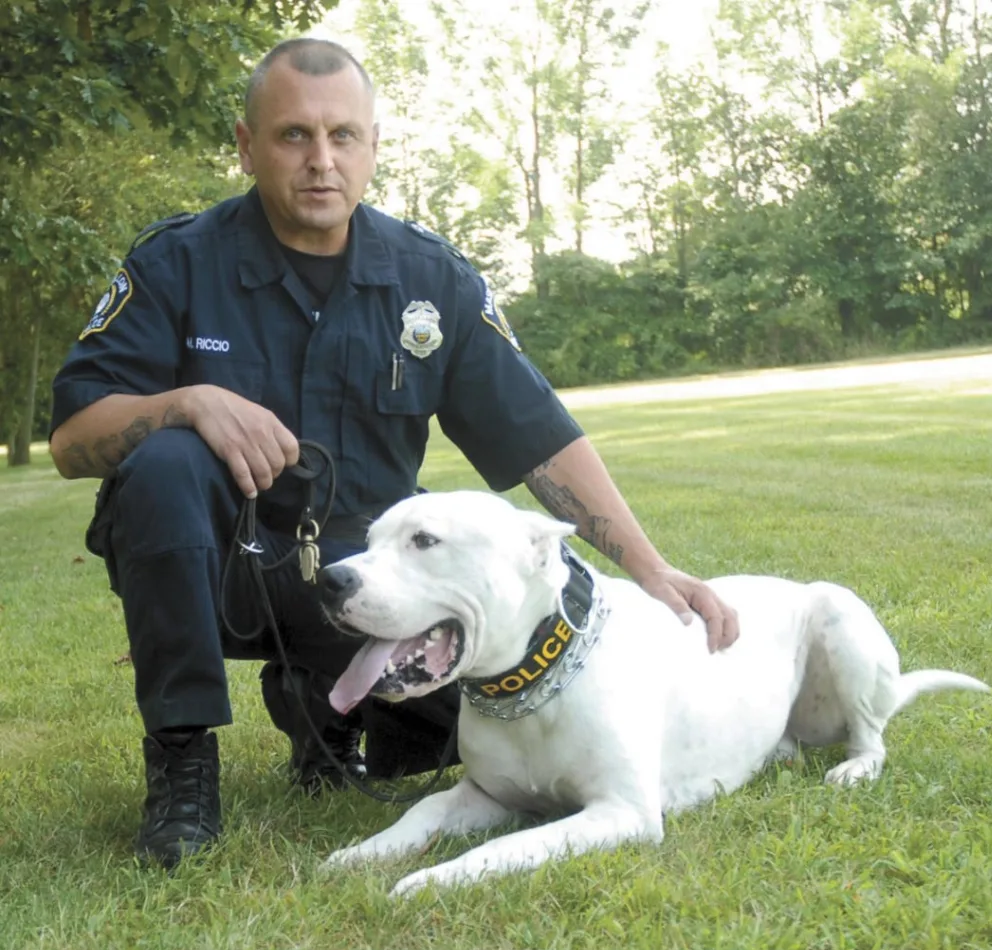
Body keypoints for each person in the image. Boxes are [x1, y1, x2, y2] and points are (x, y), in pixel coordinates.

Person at [48, 37, 739, 870]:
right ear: (245, 144)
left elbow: (539, 439)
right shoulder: (176, 264)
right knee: (161, 462)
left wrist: (651, 568)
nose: (321, 160)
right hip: (222, 572)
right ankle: (184, 761)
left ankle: (323, 717)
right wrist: (184, 403)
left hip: (367, 581)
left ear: (374, 145)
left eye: (343, 136)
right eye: (293, 135)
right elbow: (73, 439)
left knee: (490, 731)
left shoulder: (430, 280)